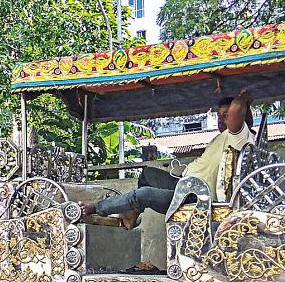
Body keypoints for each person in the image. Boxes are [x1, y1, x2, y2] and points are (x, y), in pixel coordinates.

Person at [80, 89, 254, 229]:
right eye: (219, 116)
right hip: (184, 184)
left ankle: (96, 207)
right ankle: (132, 214)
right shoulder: (223, 137)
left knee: (143, 195)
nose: (221, 120)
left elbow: (237, 114)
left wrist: (242, 99)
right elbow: (234, 115)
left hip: (196, 197)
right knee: (147, 174)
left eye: (226, 115)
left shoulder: (238, 136)